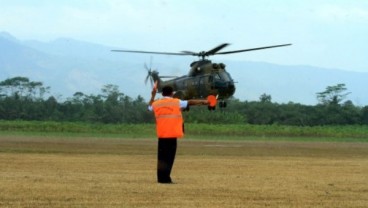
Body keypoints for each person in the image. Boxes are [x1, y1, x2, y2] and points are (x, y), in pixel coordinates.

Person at [148, 85, 210, 184]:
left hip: (162, 135)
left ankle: (161, 178)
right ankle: (166, 178)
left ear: (162, 93)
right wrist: (205, 102)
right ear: (172, 93)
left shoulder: (156, 104)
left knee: (162, 158)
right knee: (169, 158)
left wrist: (153, 95)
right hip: (172, 135)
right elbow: (190, 102)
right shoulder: (177, 102)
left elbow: (149, 107)